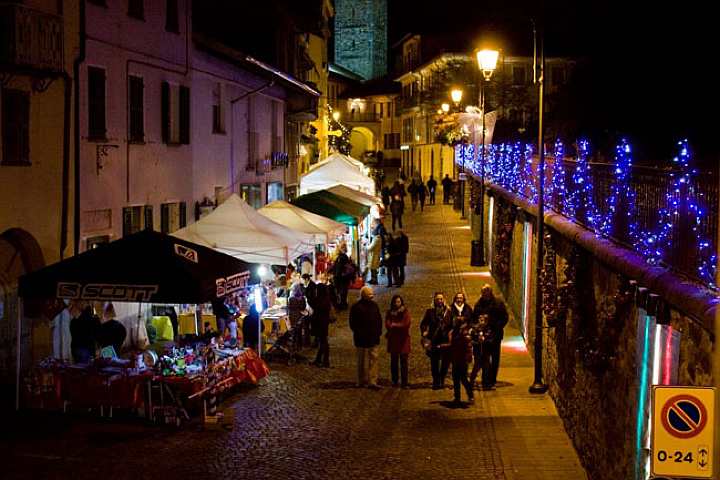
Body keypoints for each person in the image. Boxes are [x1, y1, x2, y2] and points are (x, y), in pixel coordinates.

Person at [471, 284, 509, 389]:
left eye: (487, 291)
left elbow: (505, 317)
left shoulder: (498, 303)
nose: (485, 294)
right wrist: (478, 329)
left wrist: (498, 326)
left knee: (495, 359)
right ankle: (486, 380)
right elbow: (475, 318)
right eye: (484, 292)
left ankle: (492, 379)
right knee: (485, 359)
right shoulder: (479, 305)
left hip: (496, 335)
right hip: (485, 336)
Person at [349, 286, 383, 389]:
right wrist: (358, 331)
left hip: (373, 337)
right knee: (361, 360)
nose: (372, 297)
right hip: (361, 337)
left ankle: (372, 380)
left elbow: (378, 319)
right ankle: (361, 380)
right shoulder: (356, 307)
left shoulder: (374, 306)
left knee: (373, 359)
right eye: (369, 295)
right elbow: (352, 322)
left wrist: (378, 332)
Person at [420, 292, 452, 389]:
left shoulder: (449, 312)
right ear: (434, 300)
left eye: (441, 299)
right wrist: (424, 331)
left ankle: (441, 379)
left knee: (445, 362)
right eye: (437, 299)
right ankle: (436, 381)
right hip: (434, 340)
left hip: (445, 340)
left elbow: (452, 325)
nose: (439, 301)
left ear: (444, 300)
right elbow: (423, 323)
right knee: (434, 362)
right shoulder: (430, 312)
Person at [449, 311, 475, 404]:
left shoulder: (464, 333)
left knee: (463, 378)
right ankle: (457, 397)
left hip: (462, 358)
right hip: (456, 357)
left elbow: (467, 345)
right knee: (456, 379)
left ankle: (470, 395)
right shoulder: (455, 331)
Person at [385, 295, 411, 388]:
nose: (397, 304)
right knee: (394, 361)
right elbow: (387, 324)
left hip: (403, 339)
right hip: (393, 340)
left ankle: (404, 382)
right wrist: (394, 326)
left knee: (404, 361)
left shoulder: (405, 312)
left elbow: (405, 324)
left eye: (399, 302)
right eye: (395, 302)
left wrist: (394, 325)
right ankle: (394, 381)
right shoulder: (389, 312)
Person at [309, 275, 333, 367]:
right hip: (323, 323)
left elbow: (313, 304)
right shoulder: (325, 299)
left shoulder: (320, 300)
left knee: (323, 342)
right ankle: (319, 359)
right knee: (322, 341)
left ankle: (325, 361)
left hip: (321, 323)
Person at [332, 242, 353, 310]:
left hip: (342, 278)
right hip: (345, 278)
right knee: (344, 292)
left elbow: (338, 269)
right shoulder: (344, 256)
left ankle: (343, 305)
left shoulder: (341, 257)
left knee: (342, 292)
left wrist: (335, 277)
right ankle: (344, 304)